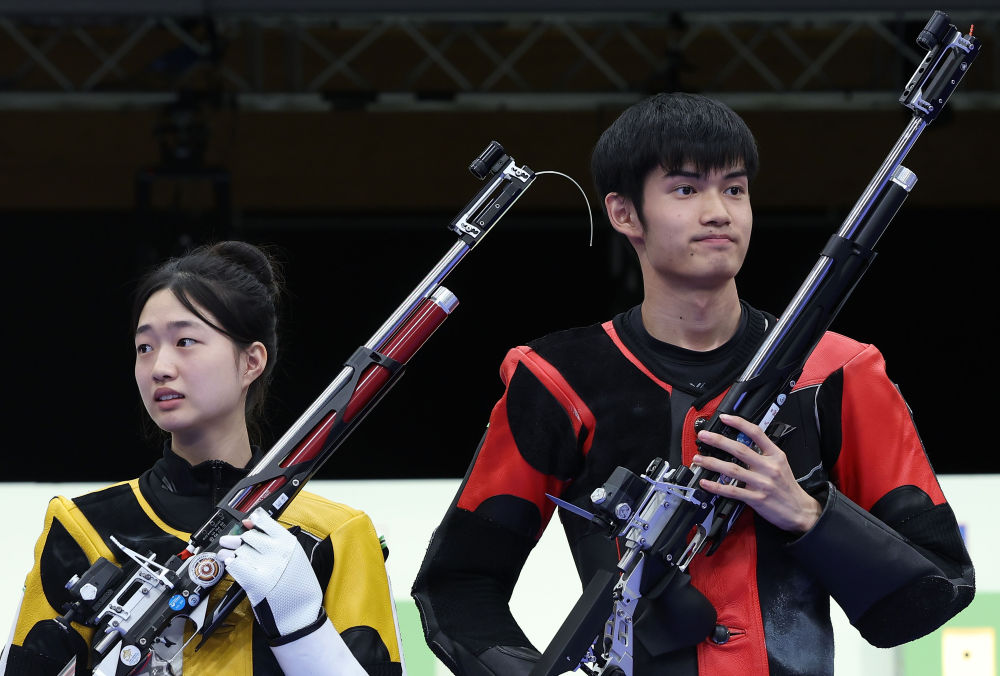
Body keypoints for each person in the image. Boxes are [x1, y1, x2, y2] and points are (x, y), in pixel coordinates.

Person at [410, 92, 975, 675]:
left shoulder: (837, 370)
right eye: (685, 189)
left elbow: (933, 592)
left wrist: (808, 513)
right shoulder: (559, 379)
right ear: (624, 213)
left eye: (734, 189)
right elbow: (457, 587)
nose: (718, 212)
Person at [1, 241, 404, 675]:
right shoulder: (83, 527)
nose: (159, 367)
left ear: (251, 362)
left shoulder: (335, 535)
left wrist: (302, 626)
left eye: (185, 341)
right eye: (144, 347)